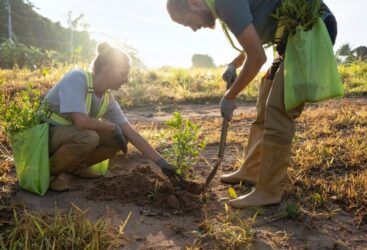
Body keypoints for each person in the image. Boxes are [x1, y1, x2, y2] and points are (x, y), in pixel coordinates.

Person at [167, 0, 337, 208]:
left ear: (192, 2)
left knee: (278, 111)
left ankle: (269, 191)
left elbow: (257, 57)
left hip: (310, 31)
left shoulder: (225, 3)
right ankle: (252, 171)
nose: (193, 29)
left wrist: (230, 96)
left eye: (187, 22)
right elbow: (254, 40)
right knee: (264, 107)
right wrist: (234, 63)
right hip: (288, 39)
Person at [42, 42, 177, 191]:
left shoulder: (107, 99)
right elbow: (81, 122)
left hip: (69, 136)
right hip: (45, 134)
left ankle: (76, 166)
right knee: (89, 137)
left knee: (120, 138)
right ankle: (48, 173)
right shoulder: (77, 78)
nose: (126, 80)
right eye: (123, 73)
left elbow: (131, 133)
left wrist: (162, 164)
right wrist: (111, 126)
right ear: (107, 70)